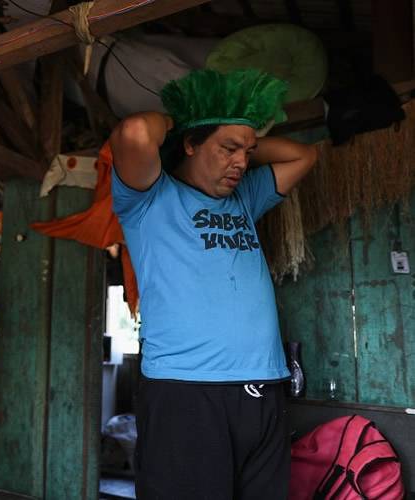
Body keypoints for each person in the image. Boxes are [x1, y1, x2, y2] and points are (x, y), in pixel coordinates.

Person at [109, 69, 318, 499]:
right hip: (186, 390)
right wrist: (185, 119)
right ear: (190, 143)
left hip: (263, 385)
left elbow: (305, 156)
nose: (241, 162)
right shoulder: (148, 198)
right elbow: (133, 132)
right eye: (227, 149)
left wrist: (240, 138)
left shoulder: (245, 197)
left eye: (248, 151)